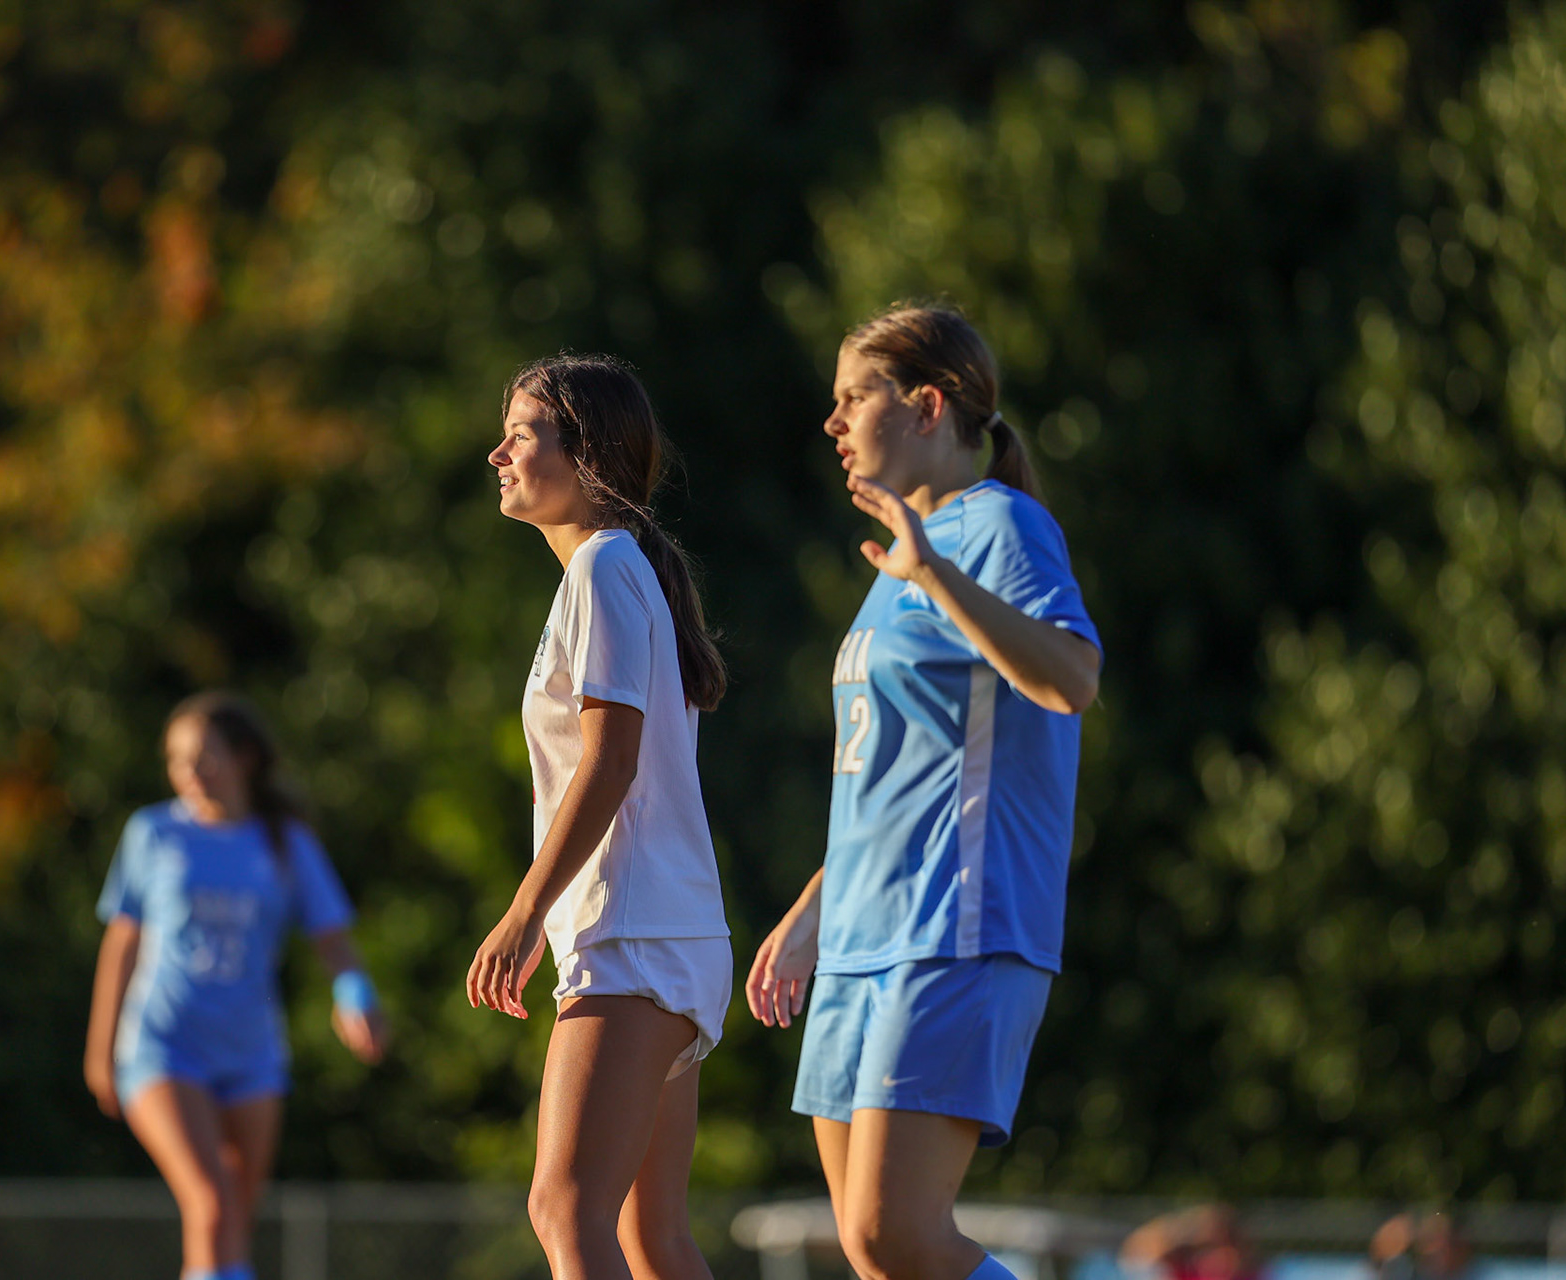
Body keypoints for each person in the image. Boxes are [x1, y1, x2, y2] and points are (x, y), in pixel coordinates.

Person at [745, 303, 1102, 1280]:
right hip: (865, 933)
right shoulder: (900, 552)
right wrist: (815, 911)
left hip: (956, 923)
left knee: (896, 1233)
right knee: (872, 1254)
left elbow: (1071, 680)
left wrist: (937, 573)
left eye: (851, 396)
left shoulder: (999, 525)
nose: (832, 422)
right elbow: (897, 775)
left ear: (926, 405)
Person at [468, 354, 732, 1280]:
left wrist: (525, 911)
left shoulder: (607, 563)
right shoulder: (612, 569)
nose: (498, 452)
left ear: (589, 458)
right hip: (664, 933)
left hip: (631, 934)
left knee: (565, 1211)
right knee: (648, 1238)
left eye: (524, 433)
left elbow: (611, 760)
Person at [84, 691, 386, 1280]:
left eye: (204, 756)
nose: (190, 772)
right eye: (177, 759)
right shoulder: (153, 834)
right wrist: (101, 1048)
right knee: (210, 1201)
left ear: (245, 756)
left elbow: (334, 942)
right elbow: (122, 943)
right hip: (163, 1045)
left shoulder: (283, 841)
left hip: (251, 1053)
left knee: (231, 1225)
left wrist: (357, 1000)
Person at [1121, 1205, 1265, 1280]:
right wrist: (1186, 1228)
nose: (1221, 1257)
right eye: (1210, 1248)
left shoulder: (1252, 1274)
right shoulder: (1189, 1272)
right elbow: (1136, 1252)